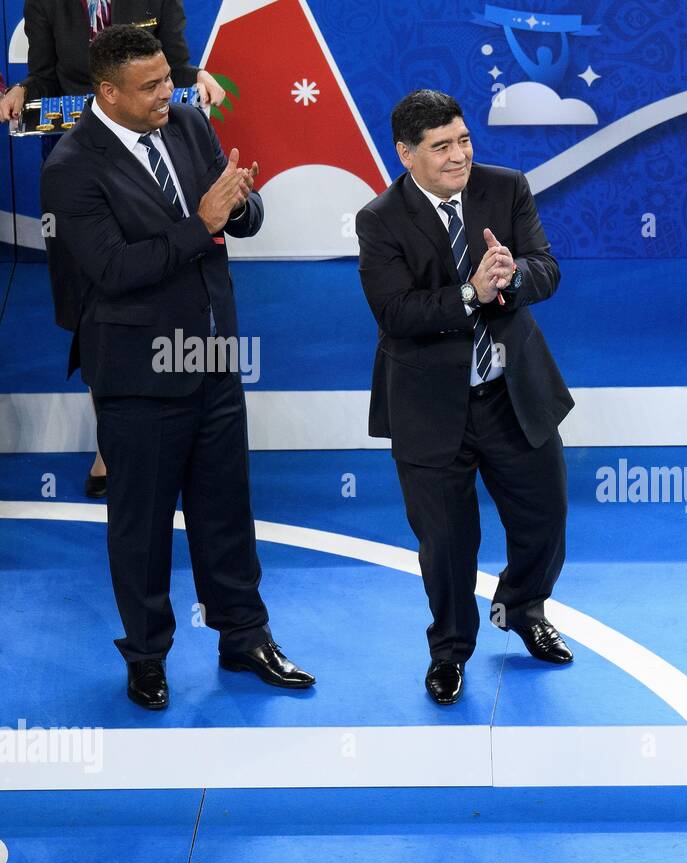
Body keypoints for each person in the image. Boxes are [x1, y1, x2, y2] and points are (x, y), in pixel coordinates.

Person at [40, 25, 313, 710]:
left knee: (227, 511)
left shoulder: (189, 125)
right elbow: (113, 269)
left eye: (169, 77)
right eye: (152, 85)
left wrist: (241, 204)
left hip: (213, 355)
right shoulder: (71, 165)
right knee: (143, 524)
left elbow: (235, 219)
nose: (171, 91)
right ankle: (148, 656)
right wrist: (203, 220)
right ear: (107, 93)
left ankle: (245, 637)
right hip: (135, 373)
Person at [356, 90, 574, 707]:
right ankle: (450, 651)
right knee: (447, 545)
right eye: (442, 147)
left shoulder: (505, 189)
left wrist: (514, 276)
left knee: (545, 518)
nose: (459, 157)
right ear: (406, 154)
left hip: (513, 394)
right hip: (430, 405)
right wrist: (471, 293)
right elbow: (395, 313)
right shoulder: (379, 220)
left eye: (464, 140)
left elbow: (546, 268)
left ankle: (523, 607)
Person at [0, 0, 227, 498]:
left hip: (149, 156)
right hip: (80, 162)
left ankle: (188, 431)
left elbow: (173, 67)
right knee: (94, 303)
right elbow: (44, 78)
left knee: (171, 287)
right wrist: (22, 90)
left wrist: (200, 76)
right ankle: (111, 444)